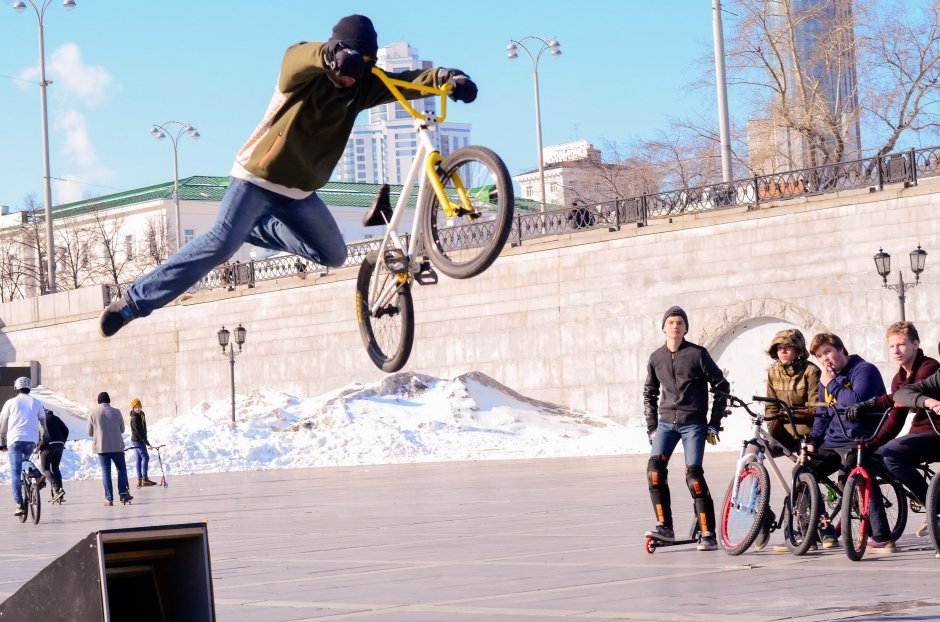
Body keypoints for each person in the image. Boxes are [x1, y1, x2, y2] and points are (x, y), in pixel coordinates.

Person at [99, 14, 478, 337]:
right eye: (347, 70)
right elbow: (295, 56)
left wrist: (445, 77)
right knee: (220, 245)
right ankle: (133, 303)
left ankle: (251, 228)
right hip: (256, 179)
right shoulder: (301, 77)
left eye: (360, 71)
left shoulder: (361, 88)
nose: (351, 80)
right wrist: (330, 54)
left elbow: (407, 80)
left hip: (299, 195)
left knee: (334, 254)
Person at [643, 306, 730, 551]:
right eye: (671, 322)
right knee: (655, 473)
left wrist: (714, 423)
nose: (675, 326)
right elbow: (649, 394)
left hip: (693, 424)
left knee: (693, 476)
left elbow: (721, 385)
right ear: (663, 327)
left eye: (680, 322)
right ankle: (665, 527)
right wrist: (651, 427)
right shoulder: (656, 358)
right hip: (666, 423)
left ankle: (708, 533)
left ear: (685, 328)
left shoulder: (697, 354)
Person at [805, 332, 886, 548]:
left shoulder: (864, 370)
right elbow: (823, 414)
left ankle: (881, 535)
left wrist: (830, 383)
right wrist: (812, 441)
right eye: (819, 356)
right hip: (833, 441)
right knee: (803, 471)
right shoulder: (827, 379)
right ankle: (814, 530)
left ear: (841, 349)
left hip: (862, 438)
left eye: (828, 351)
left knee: (852, 473)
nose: (825, 359)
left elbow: (856, 401)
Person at [869, 327, 940, 547]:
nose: (896, 350)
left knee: (892, 457)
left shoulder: (928, 367)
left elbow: (900, 398)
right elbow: (896, 416)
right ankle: (881, 532)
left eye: (901, 344)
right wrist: (870, 445)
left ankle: (934, 507)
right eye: (891, 346)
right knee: (874, 458)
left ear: (916, 345)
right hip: (919, 434)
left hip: (934, 433)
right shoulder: (898, 378)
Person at [763, 329, 821, 453]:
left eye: (788, 347)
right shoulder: (773, 372)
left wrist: (789, 413)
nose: (783, 351)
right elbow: (770, 406)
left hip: (807, 433)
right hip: (783, 433)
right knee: (754, 449)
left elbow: (816, 408)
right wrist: (772, 429)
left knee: (803, 471)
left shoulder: (811, 371)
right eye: (779, 347)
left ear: (798, 349)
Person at [0, 377, 46, 516]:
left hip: (15, 440)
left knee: (15, 471)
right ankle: (36, 473)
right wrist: (44, 438)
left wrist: (2, 440)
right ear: (29, 387)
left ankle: (19, 504)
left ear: (16, 387)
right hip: (31, 440)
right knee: (25, 461)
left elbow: (3, 424)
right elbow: (43, 425)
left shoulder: (10, 402)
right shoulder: (37, 402)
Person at [86, 392, 133, 506]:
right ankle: (123, 493)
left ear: (99, 401)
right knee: (121, 469)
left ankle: (109, 499)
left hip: (102, 448)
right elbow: (122, 429)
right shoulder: (117, 412)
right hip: (117, 446)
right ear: (109, 400)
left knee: (106, 472)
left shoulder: (93, 413)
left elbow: (90, 432)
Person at [38, 408, 69, 503]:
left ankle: (58, 489)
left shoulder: (41, 419)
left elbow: (40, 434)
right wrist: (62, 441)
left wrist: (39, 446)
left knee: (45, 469)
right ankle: (60, 495)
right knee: (55, 468)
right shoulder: (56, 418)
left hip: (48, 445)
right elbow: (66, 430)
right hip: (59, 445)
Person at [129, 398, 156, 488]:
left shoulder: (141, 414)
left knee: (139, 459)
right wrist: (147, 443)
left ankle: (140, 480)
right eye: (135, 407)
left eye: (139, 407)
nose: (137, 409)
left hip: (138, 440)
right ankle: (144, 479)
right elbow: (139, 432)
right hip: (138, 440)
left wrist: (145, 439)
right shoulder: (134, 418)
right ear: (133, 408)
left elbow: (143, 428)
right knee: (145, 457)